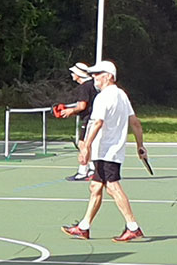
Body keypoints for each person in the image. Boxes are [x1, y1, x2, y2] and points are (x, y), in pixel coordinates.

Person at [61, 61, 148, 242]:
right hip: (108, 151)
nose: (94, 77)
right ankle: (84, 227)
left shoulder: (103, 97)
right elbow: (135, 123)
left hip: (107, 150)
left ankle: (133, 227)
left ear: (108, 76)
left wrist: (86, 147)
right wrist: (140, 146)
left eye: (98, 74)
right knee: (95, 186)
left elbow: (97, 123)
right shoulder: (122, 95)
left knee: (113, 187)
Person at [56, 63, 98, 181]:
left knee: (83, 144)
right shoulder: (93, 84)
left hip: (89, 118)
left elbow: (82, 105)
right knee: (87, 144)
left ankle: (82, 171)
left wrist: (70, 111)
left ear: (79, 74)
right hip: (93, 117)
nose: (72, 74)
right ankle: (91, 168)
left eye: (73, 72)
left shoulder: (84, 87)